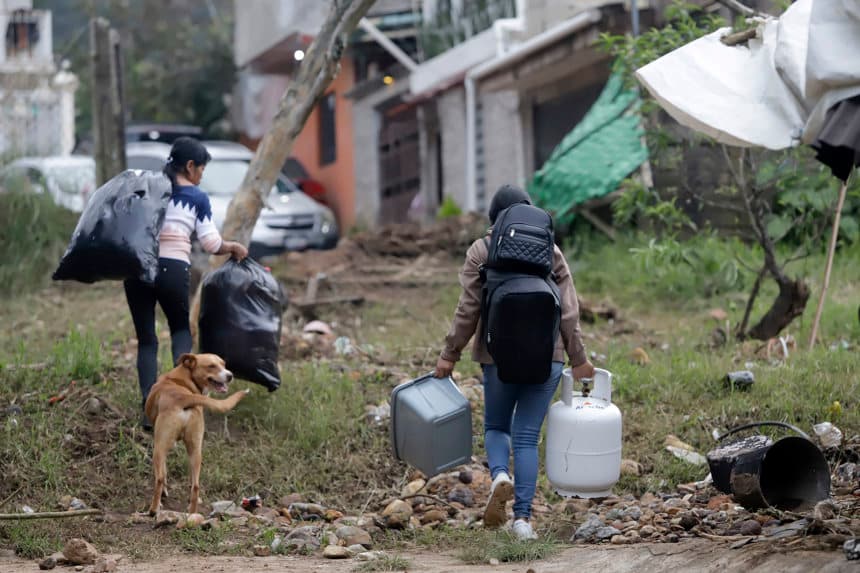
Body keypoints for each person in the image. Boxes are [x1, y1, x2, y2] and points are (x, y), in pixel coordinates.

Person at [435, 184, 594, 540]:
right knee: (525, 438)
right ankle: (522, 521)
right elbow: (569, 311)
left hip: (496, 357)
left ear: (494, 218)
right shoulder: (550, 250)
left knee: (496, 427)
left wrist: (450, 354)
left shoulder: (481, 249)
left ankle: (499, 476)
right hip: (548, 357)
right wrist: (579, 358)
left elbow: (468, 309)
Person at [125, 137, 247, 430]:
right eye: (202, 169)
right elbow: (210, 243)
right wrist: (233, 247)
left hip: (137, 268)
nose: (202, 176)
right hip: (171, 268)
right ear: (190, 166)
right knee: (180, 329)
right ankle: (185, 399)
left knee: (146, 339)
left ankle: (149, 410)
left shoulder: (146, 189)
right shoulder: (196, 197)